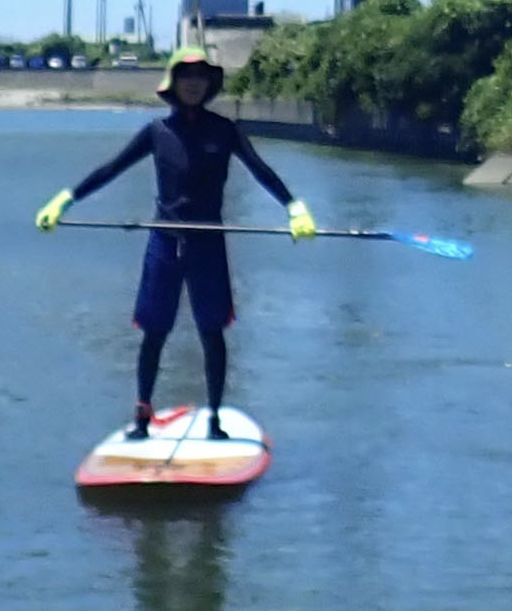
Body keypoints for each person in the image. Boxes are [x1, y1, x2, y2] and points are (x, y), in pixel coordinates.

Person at [39, 47, 314, 440]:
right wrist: (66, 199)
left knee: (212, 333)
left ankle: (215, 418)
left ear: (209, 84)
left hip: (208, 245)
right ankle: (142, 417)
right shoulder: (157, 132)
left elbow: (260, 170)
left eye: (200, 76)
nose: (193, 83)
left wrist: (293, 207)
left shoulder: (225, 130)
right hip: (165, 244)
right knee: (154, 332)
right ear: (173, 83)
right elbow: (111, 169)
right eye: (186, 75)